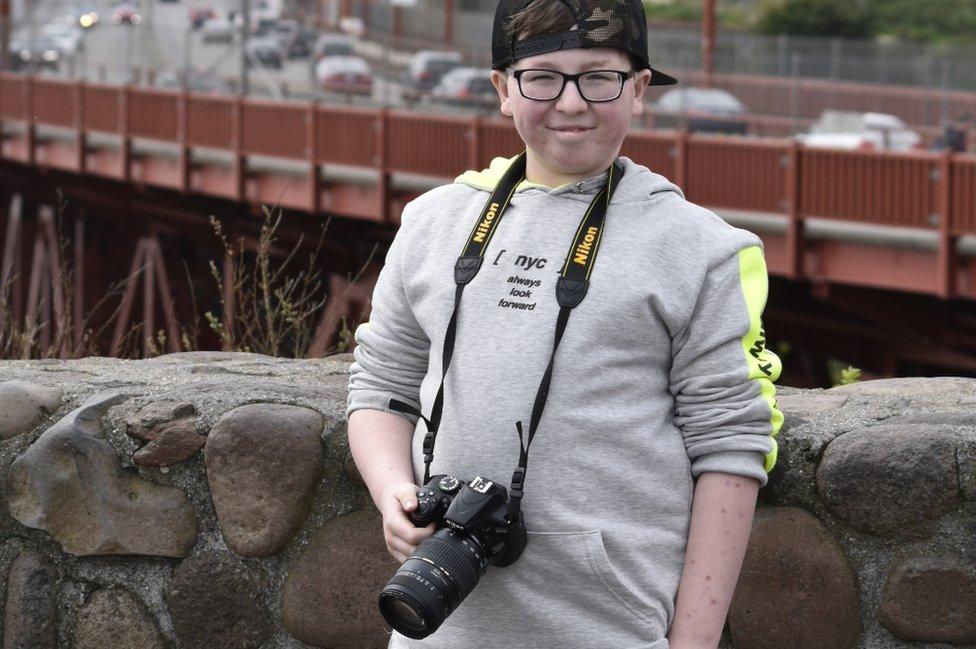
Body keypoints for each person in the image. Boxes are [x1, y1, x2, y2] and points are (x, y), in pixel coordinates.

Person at [346, 1, 783, 648]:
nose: (572, 103)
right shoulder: (431, 224)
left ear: (638, 90)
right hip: (435, 629)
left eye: (599, 77)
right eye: (542, 77)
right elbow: (381, 386)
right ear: (502, 89)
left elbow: (732, 448)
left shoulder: (705, 251)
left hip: (614, 631)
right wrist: (394, 494)